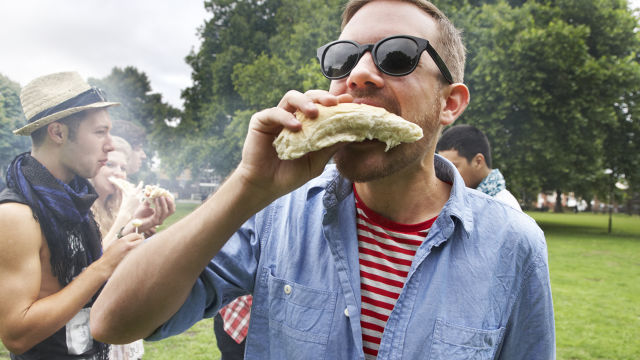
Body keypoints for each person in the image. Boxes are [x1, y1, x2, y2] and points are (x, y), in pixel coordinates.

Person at [91, 1, 555, 359]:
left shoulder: (514, 244)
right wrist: (249, 185)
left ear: (449, 104)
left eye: (396, 56)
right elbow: (113, 322)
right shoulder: (277, 213)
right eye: (343, 58)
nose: (358, 75)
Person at [0, 71, 147, 360]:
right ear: (57, 133)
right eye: (99, 132)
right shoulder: (16, 215)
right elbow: (16, 335)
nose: (111, 145)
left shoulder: (75, 198)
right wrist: (103, 266)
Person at [89, 135, 176, 359]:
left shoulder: (117, 205)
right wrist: (127, 218)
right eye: (110, 164)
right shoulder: (82, 210)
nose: (119, 172)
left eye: (123, 167)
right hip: (89, 321)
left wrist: (145, 227)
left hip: (120, 315)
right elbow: (91, 265)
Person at [436, 124, 522, 210]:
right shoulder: (463, 201)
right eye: (443, 167)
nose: (444, 175)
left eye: (453, 166)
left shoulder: (504, 207)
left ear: (478, 161)